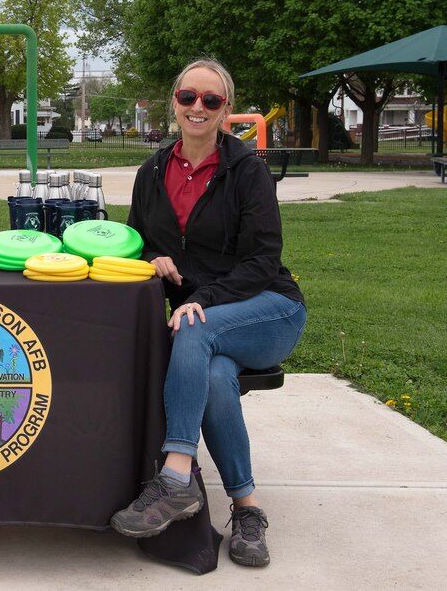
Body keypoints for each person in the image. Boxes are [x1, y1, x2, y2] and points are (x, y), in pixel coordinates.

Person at [110, 59, 306, 567]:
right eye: (189, 97)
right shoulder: (151, 172)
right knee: (216, 377)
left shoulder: (247, 170)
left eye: (212, 100)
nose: (199, 107)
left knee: (195, 328)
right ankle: (247, 509)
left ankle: (175, 477)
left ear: (227, 111)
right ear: (174, 101)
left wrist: (203, 299)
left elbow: (264, 260)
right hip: (209, 322)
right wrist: (152, 258)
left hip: (270, 310)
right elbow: (138, 243)